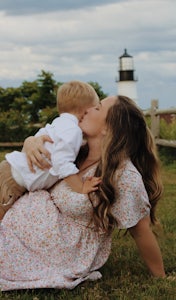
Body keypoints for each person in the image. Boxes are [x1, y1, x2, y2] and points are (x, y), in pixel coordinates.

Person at [0, 95, 166, 291]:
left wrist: (161, 277)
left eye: (96, 108)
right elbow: (37, 149)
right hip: (16, 225)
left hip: (51, 251)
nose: (86, 109)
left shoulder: (122, 175)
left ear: (108, 128)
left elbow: (140, 230)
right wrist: (30, 142)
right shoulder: (74, 150)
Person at [0, 80, 100, 219]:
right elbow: (62, 162)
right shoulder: (73, 130)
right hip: (12, 181)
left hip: (11, 172)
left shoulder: (60, 124)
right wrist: (81, 188)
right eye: (96, 108)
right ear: (85, 110)